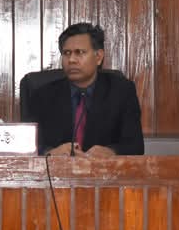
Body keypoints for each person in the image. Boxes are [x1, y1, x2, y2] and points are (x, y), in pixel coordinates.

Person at [24, 23, 144, 156]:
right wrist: (50, 152)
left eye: (79, 52)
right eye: (66, 53)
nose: (71, 60)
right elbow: (27, 145)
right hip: (56, 168)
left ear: (98, 57)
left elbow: (135, 146)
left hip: (103, 168)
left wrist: (111, 152)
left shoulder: (121, 91)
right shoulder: (42, 95)